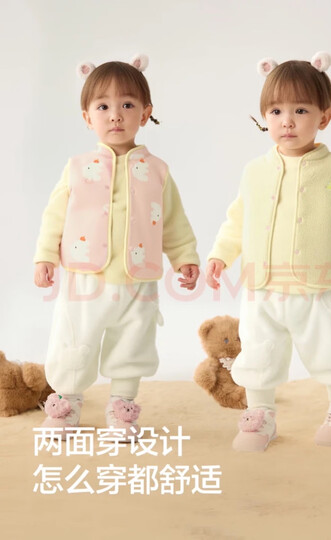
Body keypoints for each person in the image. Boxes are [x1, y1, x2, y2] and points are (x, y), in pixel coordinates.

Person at [206, 51, 331, 451]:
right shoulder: (255, 171)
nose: (287, 120)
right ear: (265, 116)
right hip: (262, 286)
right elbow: (237, 219)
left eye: (300, 110)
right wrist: (220, 255)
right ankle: (260, 415)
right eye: (276, 111)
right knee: (258, 352)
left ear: (324, 117)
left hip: (320, 284)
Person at [34, 54, 200, 439]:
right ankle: (67, 400)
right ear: (86, 117)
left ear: (145, 113)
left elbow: (173, 221)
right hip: (84, 277)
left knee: (133, 343)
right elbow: (54, 216)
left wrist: (185, 258)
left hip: (137, 280)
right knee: (74, 339)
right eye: (103, 107)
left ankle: (122, 405)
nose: (115, 115)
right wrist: (45, 256)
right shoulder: (78, 168)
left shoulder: (157, 170)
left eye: (127, 105)